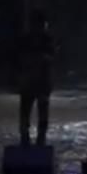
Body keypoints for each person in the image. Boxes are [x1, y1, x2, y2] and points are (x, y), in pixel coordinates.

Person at [18, 11, 56, 147]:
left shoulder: (47, 39)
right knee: (27, 111)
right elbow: (20, 58)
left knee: (39, 111)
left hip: (40, 81)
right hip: (32, 81)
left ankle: (39, 138)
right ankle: (27, 137)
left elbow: (52, 57)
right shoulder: (27, 39)